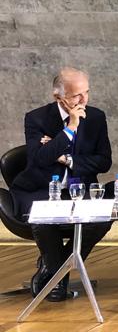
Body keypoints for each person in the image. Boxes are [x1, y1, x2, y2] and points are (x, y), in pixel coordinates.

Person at [12, 66, 112, 302]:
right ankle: (57, 279)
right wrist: (70, 128)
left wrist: (66, 158)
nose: (83, 100)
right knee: (44, 219)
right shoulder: (36, 118)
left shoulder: (96, 117)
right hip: (40, 189)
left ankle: (53, 269)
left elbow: (104, 161)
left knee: (104, 216)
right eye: (77, 95)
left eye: (86, 92)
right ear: (59, 97)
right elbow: (39, 158)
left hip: (79, 189)